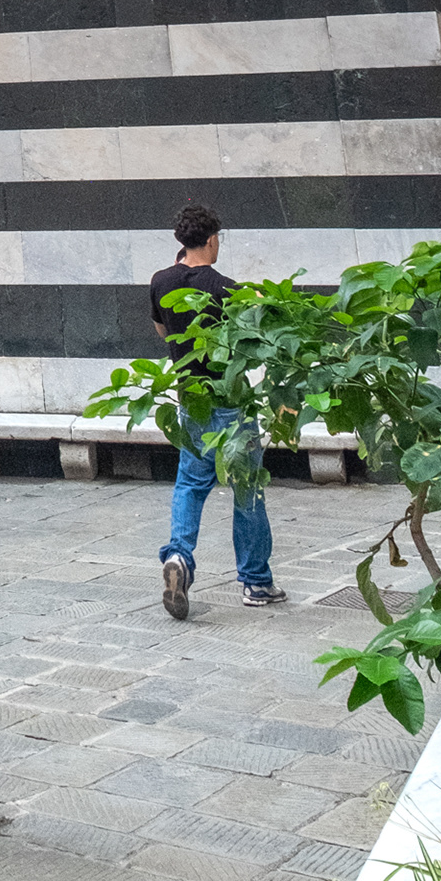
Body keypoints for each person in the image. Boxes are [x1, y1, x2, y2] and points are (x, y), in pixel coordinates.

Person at [153, 202, 285, 619]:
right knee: (247, 489)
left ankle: (179, 557)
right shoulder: (227, 288)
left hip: (190, 397)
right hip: (230, 398)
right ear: (212, 239)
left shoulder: (160, 281)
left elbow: (162, 331)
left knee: (191, 483)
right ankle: (256, 582)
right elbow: (254, 334)